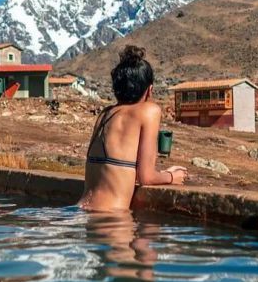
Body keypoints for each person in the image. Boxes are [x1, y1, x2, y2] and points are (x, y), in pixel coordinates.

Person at [79, 45, 187, 212]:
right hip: (112, 220)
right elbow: (146, 177)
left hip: (82, 212)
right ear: (149, 90)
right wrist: (172, 176)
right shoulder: (148, 111)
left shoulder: (105, 115)